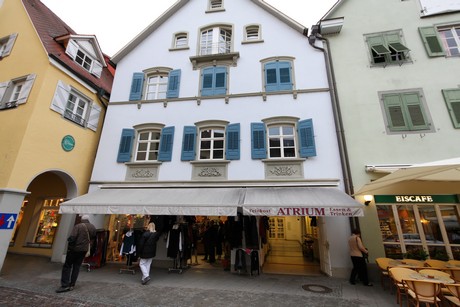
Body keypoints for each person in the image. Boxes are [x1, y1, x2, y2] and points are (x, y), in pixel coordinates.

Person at [56, 215, 96, 293]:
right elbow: (93, 238)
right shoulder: (93, 227)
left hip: (75, 249)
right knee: (77, 267)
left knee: (67, 266)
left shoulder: (78, 226)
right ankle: (72, 284)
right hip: (84, 250)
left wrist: (70, 246)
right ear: (88, 220)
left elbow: (72, 238)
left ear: (82, 219)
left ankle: (65, 285)